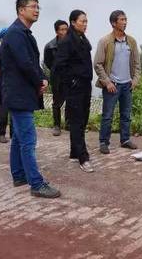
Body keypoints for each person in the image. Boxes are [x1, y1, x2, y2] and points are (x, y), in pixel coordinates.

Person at [2, 0, 60, 198]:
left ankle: (19, 175)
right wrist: (39, 80)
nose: (37, 10)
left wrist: (42, 78)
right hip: (18, 95)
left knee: (19, 137)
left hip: (22, 93)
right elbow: (25, 63)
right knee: (28, 140)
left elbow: (33, 63)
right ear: (21, 10)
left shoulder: (25, 33)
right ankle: (36, 184)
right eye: (33, 7)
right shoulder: (16, 33)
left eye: (38, 7)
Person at [94, 10, 141, 154]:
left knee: (126, 115)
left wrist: (135, 80)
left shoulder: (131, 41)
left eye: (125, 19)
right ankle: (104, 142)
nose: (125, 22)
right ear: (114, 23)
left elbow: (137, 64)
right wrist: (107, 82)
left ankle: (125, 139)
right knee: (107, 115)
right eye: (121, 20)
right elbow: (97, 64)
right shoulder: (105, 41)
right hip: (112, 85)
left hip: (127, 85)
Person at [55, 10, 94, 172]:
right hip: (75, 88)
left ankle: (73, 152)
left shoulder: (82, 38)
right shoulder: (67, 41)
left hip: (85, 85)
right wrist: (70, 82)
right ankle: (83, 157)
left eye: (86, 21)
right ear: (73, 22)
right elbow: (58, 67)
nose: (85, 24)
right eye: (82, 21)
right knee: (77, 122)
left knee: (82, 119)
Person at [44, 20, 70, 136]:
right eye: (62, 29)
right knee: (57, 102)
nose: (65, 32)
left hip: (70, 76)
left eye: (66, 29)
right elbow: (48, 62)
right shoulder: (50, 46)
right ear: (57, 31)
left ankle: (69, 124)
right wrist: (56, 70)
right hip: (57, 78)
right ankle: (57, 125)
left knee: (71, 101)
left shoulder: (73, 44)